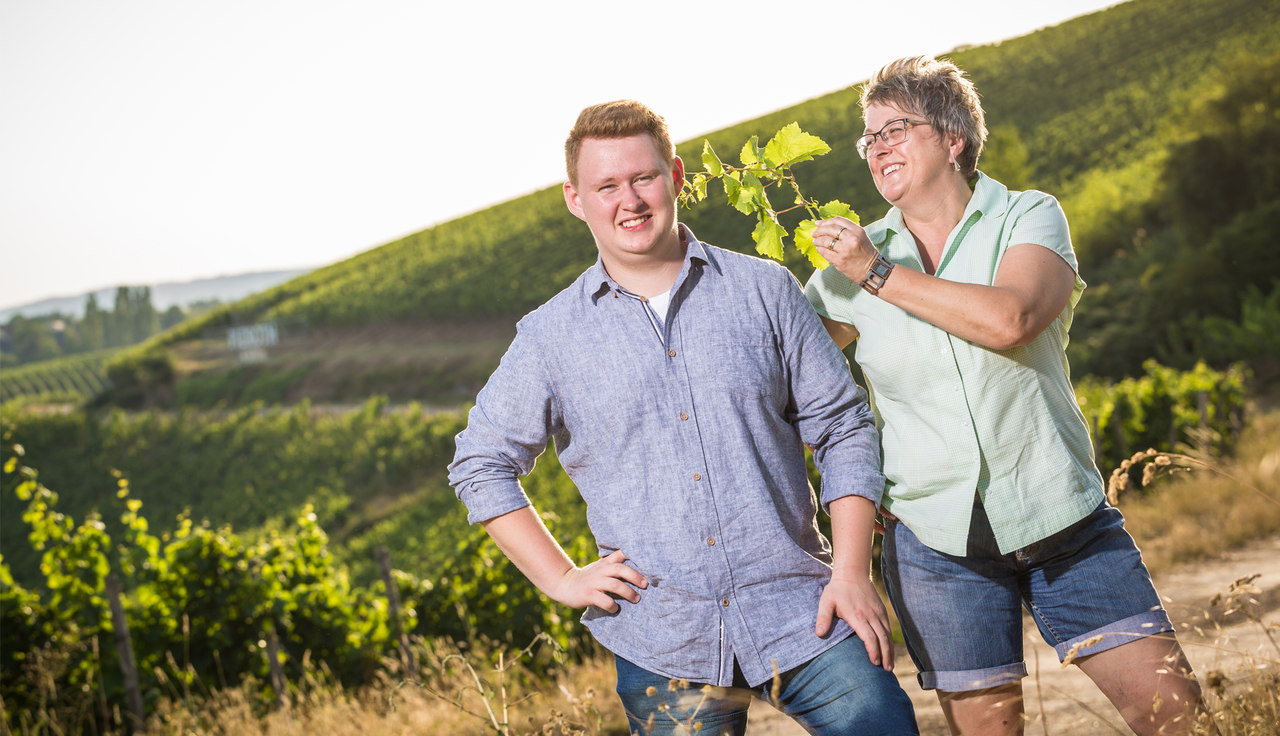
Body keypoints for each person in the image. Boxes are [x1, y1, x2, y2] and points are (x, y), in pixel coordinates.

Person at [448, 100, 918, 735]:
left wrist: (853, 572)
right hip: (661, 637)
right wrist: (561, 576)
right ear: (575, 198)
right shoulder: (549, 337)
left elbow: (842, 425)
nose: (630, 200)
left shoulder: (764, 290)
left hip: (803, 608)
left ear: (674, 175)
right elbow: (480, 464)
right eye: (606, 185)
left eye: (642, 177)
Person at [803, 56, 1204, 735]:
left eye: (895, 128)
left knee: (1177, 721)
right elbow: (789, 383)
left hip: (1064, 523)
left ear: (954, 138)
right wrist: (846, 487)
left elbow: (1010, 319)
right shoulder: (842, 276)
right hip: (934, 549)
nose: (878, 147)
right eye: (868, 137)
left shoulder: (1027, 216)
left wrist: (875, 273)